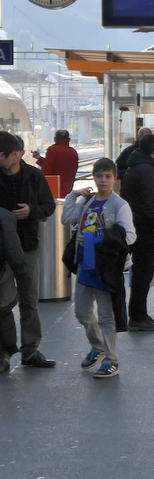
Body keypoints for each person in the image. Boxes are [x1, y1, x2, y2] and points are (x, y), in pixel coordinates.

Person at [62, 158, 136, 378]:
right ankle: (98, 347)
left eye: (107, 176)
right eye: (99, 176)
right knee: (82, 312)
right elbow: (66, 218)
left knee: (106, 316)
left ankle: (112, 360)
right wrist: (73, 195)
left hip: (106, 268)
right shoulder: (87, 202)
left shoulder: (119, 205)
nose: (103, 180)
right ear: (93, 177)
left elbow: (130, 236)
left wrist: (99, 237)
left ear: (114, 178)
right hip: (86, 265)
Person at [0, 131, 56, 366]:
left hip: (28, 246)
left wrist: (31, 212)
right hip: (1, 250)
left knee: (28, 300)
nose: (1, 158)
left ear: (18, 154)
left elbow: (49, 206)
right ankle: (3, 352)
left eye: (4, 154)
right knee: (2, 302)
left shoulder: (34, 176)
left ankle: (30, 349)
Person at [120, 133, 154, 332]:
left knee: (140, 272)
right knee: (143, 273)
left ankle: (140, 314)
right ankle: (138, 317)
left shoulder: (136, 166)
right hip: (145, 229)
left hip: (136, 225)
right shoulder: (147, 170)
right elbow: (150, 201)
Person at [0, 207, 23, 374]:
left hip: (2, 272)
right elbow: (14, 251)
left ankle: (5, 353)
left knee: (4, 310)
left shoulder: (4, 216)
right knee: (4, 310)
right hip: (4, 271)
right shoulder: (5, 216)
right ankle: (5, 353)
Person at [32, 129, 80, 196]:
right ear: (69, 139)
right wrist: (39, 158)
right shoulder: (73, 152)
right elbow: (62, 165)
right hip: (68, 187)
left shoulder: (52, 150)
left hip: (54, 189)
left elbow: (47, 169)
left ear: (55, 139)